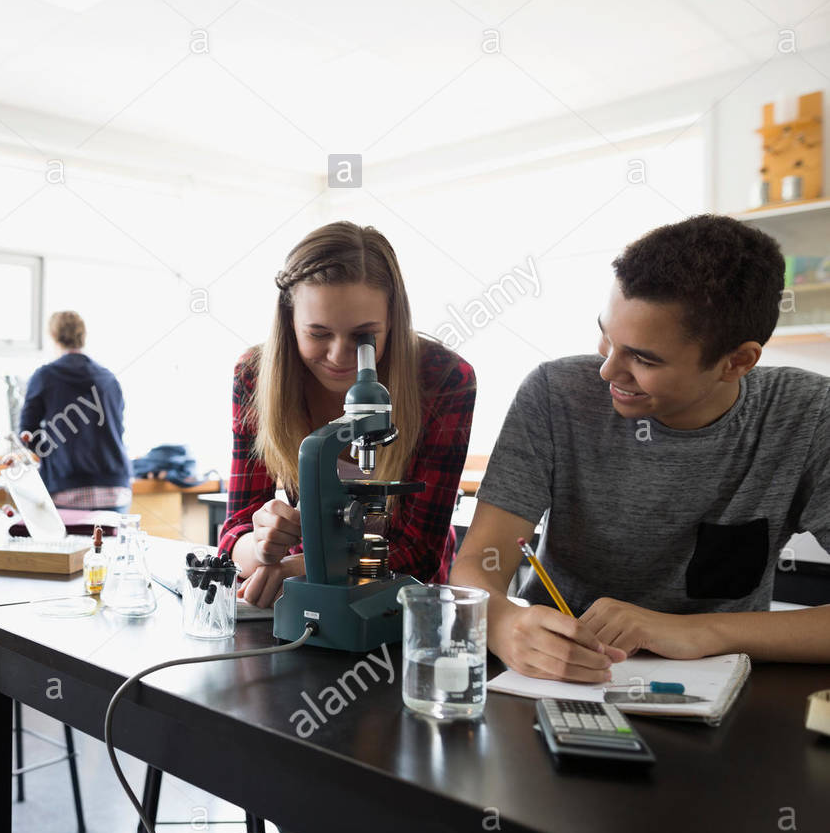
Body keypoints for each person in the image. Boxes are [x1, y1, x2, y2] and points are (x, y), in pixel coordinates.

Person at [451, 214, 830, 679]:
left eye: (644, 358)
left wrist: (701, 632)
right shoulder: (555, 393)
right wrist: (502, 623)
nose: (608, 371)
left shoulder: (807, 417)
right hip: (551, 678)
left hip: (718, 696)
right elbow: (477, 565)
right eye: (607, 338)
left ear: (737, 361)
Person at [217, 221, 477, 607]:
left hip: (403, 602)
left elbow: (419, 553)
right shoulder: (253, 375)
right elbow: (235, 529)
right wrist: (261, 548)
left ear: (393, 320)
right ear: (290, 322)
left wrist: (300, 570)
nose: (339, 357)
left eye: (363, 337)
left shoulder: (444, 379)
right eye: (318, 334)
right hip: (298, 586)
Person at [19, 310, 132, 513]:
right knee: (110, 545)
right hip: (115, 489)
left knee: (69, 546)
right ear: (83, 336)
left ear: (53, 336)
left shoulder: (45, 376)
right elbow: (119, 429)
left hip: (66, 488)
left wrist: (51, 453)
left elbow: (27, 434)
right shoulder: (109, 378)